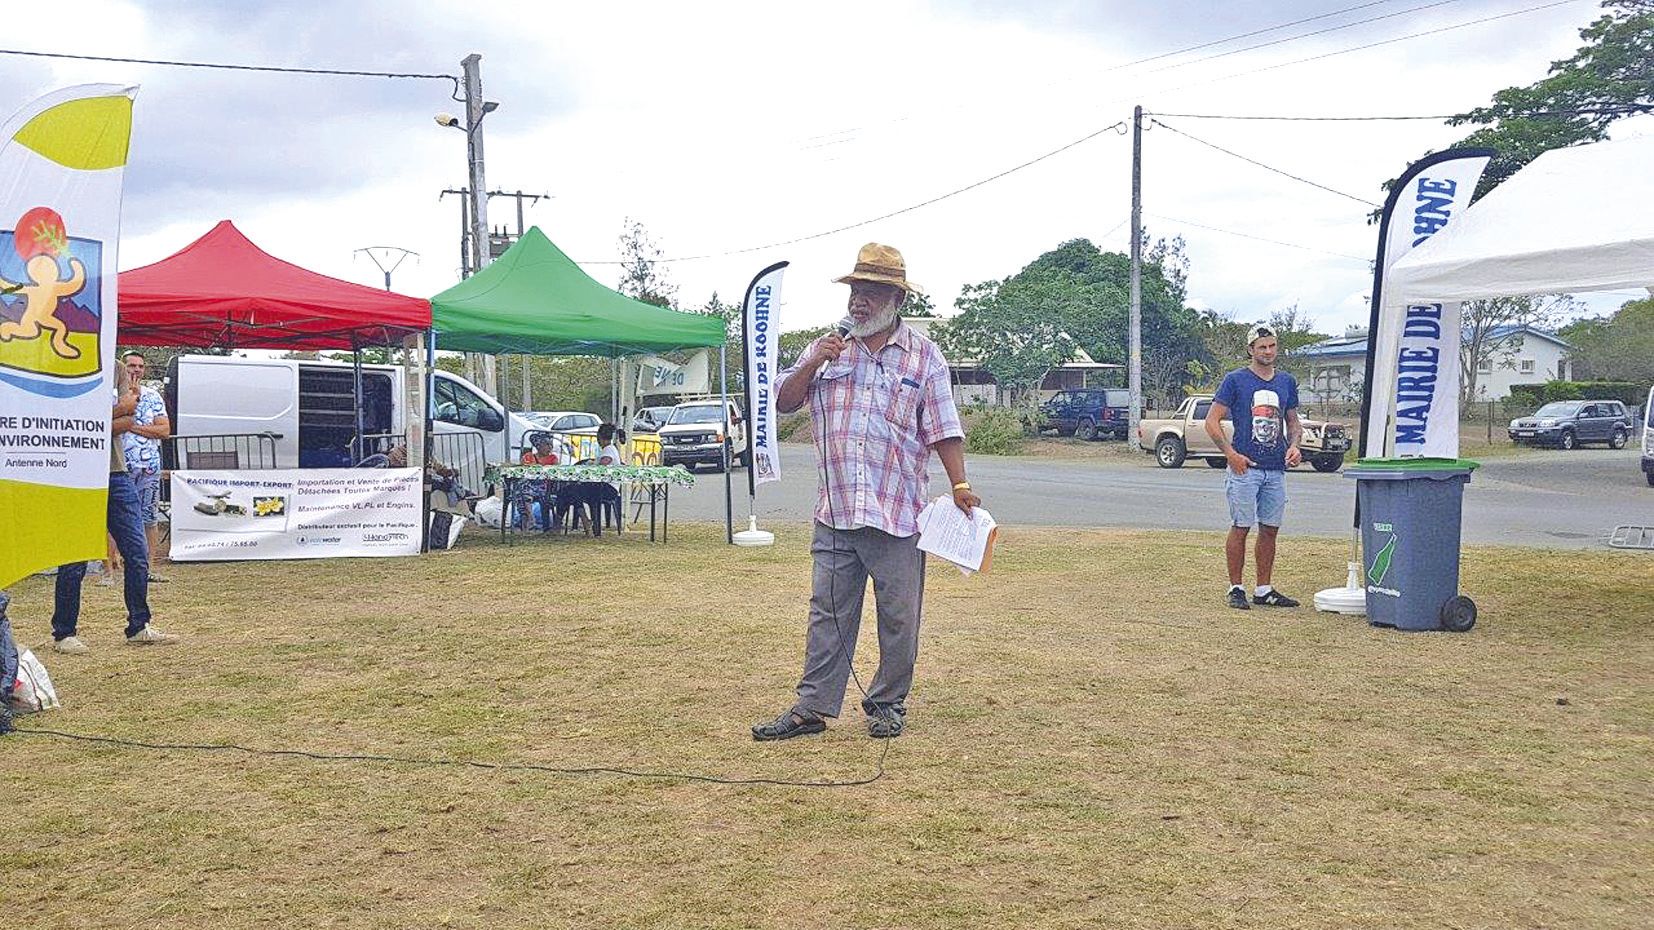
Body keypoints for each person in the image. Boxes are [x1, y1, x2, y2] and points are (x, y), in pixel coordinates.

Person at [752, 242, 978, 742]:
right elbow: (786, 402)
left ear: (897, 300)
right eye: (856, 291)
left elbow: (944, 427)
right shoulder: (826, 347)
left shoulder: (924, 357)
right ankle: (812, 708)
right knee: (826, 613)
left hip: (897, 512)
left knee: (899, 617)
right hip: (836, 509)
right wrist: (812, 363)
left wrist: (960, 484)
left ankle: (887, 703)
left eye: (871, 292)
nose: (859, 302)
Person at [52, 363, 180, 654]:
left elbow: (128, 417)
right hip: (78, 473)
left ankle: (139, 625)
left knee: (136, 553)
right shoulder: (66, 366)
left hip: (116, 472)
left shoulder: (116, 368)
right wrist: (113, 414)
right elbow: (69, 419)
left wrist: (86, 423)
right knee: (74, 558)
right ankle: (64, 632)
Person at [1204, 324, 1304, 611]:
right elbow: (1213, 421)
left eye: (1272, 346)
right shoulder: (1236, 380)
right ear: (1251, 349)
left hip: (1275, 468)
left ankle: (1264, 588)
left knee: (1270, 528)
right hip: (1245, 468)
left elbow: (1293, 422)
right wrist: (1230, 454)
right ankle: (1236, 587)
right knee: (1241, 526)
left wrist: (1294, 446)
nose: (1268, 351)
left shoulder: (1286, 382)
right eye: (1262, 347)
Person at [119, 350, 171, 582]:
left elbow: (164, 431)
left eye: (140, 366)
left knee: (150, 517)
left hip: (148, 465)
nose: (136, 370)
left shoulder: (153, 396)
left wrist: (131, 426)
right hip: (119, 465)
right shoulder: (112, 394)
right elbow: (109, 423)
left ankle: (148, 568)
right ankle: (112, 569)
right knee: (116, 517)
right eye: (131, 365)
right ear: (122, 367)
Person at [515, 434, 560, 532]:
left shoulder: (553, 458)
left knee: (524, 489)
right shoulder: (528, 456)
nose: (550, 447)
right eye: (547, 444)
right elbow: (524, 471)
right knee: (522, 489)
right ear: (538, 446)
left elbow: (555, 472)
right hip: (529, 485)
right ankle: (529, 517)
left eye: (551, 445)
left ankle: (530, 519)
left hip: (545, 487)